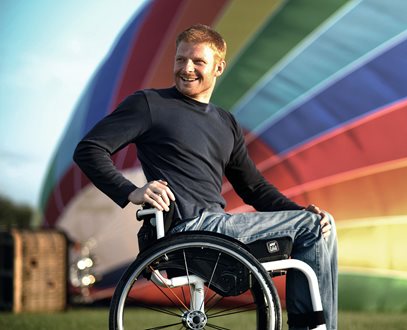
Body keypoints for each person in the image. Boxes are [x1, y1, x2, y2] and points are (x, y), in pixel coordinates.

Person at [73, 24, 337, 330]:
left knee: (318, 223)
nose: (186, 69)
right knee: (311, 228)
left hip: (219, 228)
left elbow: (254, 188)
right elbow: (90, 149)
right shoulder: (150, 104)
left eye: (198, 62)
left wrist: (299, 212)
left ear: (218, 67)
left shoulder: (226, 122)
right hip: (191, 228)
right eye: (180, 59)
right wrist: (130, 191)